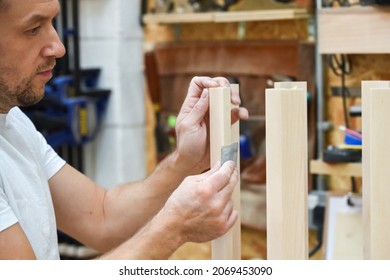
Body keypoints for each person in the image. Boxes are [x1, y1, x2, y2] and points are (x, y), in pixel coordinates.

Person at [0, 0, 249, 260]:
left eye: (52, 23)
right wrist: (173, 227)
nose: (59, 48)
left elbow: (102, 217)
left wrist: (185, 161)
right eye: (33, 29)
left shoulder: (14, 123)